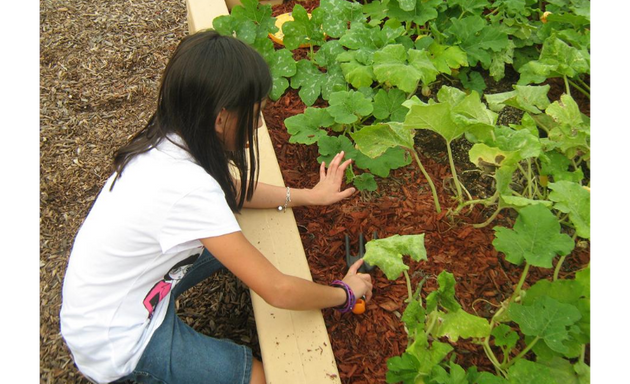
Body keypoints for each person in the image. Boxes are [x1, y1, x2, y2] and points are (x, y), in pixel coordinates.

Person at [59, 30, 373, 384]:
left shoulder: (170, 140)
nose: (258, 124)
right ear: (221, 119)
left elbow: (232, 191)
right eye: (254, 115)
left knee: (237, 235)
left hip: (117, 296)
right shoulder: (188, 190)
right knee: (260, 379)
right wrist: (344, 293)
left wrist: (305, 195)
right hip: (118, 342)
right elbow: (278, 290)